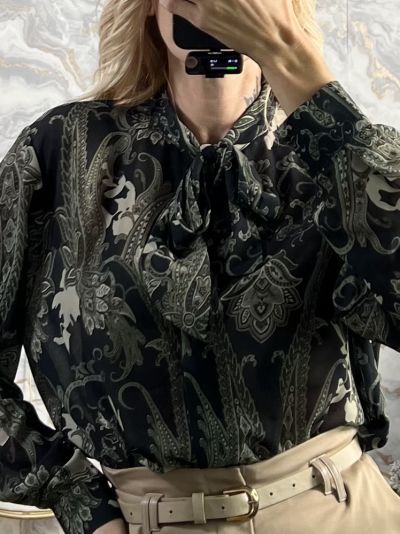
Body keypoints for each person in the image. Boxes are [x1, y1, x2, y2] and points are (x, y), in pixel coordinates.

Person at [0, 0, 400, 533]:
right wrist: (77, 499)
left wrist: (297, 68)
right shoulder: (60, 152)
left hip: (339, 510)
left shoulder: (336, 154)